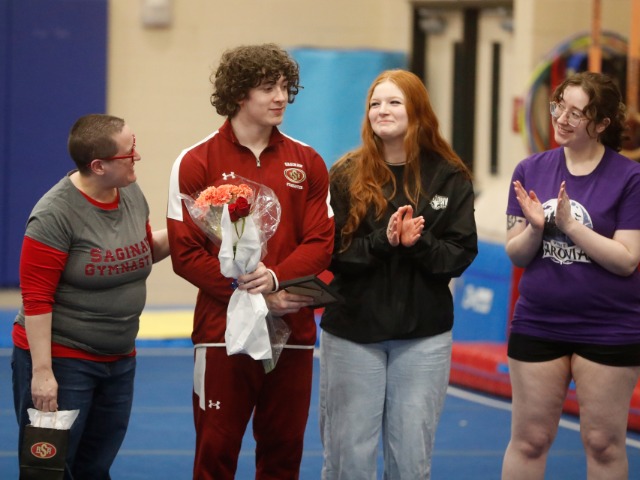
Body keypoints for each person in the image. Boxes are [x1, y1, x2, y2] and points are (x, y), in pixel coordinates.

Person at [166, 43, 334, 479]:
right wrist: (254, 299)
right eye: (268, 88)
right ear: (239, 94)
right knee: (215, 454)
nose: (281, 97)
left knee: (283, 456)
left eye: (285, 87)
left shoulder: (308, 160)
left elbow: (321, 242)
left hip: (292, 329)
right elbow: (185, 254)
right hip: (222, 333)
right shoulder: (195, 160)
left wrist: (276, 280)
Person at [319, 69, 478, 479]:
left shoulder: (449, 175)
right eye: (375, 103)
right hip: (354, 331)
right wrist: (384, 241)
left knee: (410, 460)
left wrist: (417, 243)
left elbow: (459, 256)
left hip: (422, 336)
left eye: (394, 102)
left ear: (418, 110)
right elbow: (330, 255)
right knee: (349, 458)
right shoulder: (345, 174)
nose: (382, 110)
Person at [11, 113, 170, 479]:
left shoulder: (129, 191)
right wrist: (43, 374)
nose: (137, 156)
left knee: (95, 467)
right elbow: (36, 299)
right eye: (129, 152)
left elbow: (142, 250)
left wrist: (196, 228)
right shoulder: (54, 215)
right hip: (65, 361)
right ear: (99, 166)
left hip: (119, 359)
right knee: (50, 471)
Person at [502, 71, 640, 480]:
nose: (561, 118)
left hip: (609, 326)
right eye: (559, 106)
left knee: (603, 443)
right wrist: (536, 228)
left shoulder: (629, 178)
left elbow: (627, 260)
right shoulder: (530, 169)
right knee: (529, 439)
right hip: (539, 321)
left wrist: (571, 226)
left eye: (576, 113)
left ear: (601, 124)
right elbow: (516, 253)